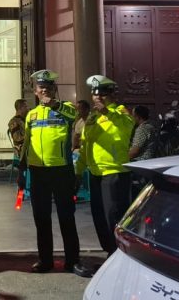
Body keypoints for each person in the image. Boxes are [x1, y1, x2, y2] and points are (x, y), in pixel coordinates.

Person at [17, 70, 93, 277]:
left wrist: (55, 105)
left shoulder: (66, 109)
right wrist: (22, 170)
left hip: (61, 170)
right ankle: (45, 260)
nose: (45, 91)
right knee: (41, 218)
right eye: (41, 88)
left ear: (54, 89)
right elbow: (26, 144)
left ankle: (72, 261)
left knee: (66, 217)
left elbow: (73, 116)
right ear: (35, 91)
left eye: (49, 87)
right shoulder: (31, 115)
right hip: (38, 172)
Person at [75, 74, 134, 256]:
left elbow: (127, 127)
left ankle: (119, 254)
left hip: (114, 172)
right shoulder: (92, 118)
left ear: (112, 95)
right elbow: (85, 146)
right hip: (95, 173)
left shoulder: (121, 112)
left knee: (113, 216)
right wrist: (78, 172)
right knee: (99, 216)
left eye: (102, 94)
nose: (98, 98)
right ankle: (109, 252)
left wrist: (107, 112)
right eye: (95, 94)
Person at [8, 99, 30, 200]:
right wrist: (31, 136)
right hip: (22, 153)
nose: (28, 109)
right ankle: (20, 197)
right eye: (26, 107)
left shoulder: (26, 119)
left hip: (30, 151)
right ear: (20, 108)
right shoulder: (14, 121)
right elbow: (17, 138)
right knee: (22, 175)